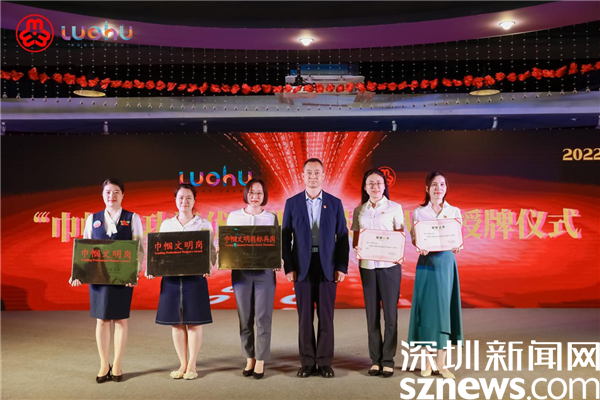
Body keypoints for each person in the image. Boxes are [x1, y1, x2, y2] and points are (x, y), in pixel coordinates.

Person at [69, 178, 144, 383]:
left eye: (116, 192)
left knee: (120, 320)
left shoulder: (132, 218)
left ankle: (117, 364)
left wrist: (134, 273)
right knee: (101, 320)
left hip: (123, 277)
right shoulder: (92, 219)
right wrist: (78, 272)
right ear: (103, 195)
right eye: (108, 192)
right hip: (98, 276)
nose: (112, 196)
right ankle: (104, 364)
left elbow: (139, 247)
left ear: (123, 195)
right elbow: (85, 249)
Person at [282, 158, 349, 378]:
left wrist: (341, 266)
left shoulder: (334, 203)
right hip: (301, 267)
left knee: (326, 316)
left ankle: (325, 361)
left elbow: (343, 237)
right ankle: (307, 362)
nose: (313, 177)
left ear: (323, 175)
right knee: (305, 317)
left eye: (317, 173)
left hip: (327, 266)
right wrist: (289, 266)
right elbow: (285, 236)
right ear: (302, 176)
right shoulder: (292, 203)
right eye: (309, 173)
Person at [147, 183, 216, 380]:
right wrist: (153, 268)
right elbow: (159, 252)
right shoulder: (167, 225)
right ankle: (182, 363)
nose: (184, 201)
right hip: (171, 280)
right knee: (176, 324)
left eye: (188, 198)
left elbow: (211, 252)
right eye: (180, 198)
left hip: (195, 280)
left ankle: (192, 364)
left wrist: (209, 266)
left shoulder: (204, 225)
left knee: (194, 322)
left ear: (194, 200)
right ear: (175, 200)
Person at [407, 171, 464, 380]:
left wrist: (457, 245)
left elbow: (458, 238)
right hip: (427, 264)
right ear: (427, 188)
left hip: (446, 264)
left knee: (444, 312)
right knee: (428, 311)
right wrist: (419, 245)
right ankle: (428, 362)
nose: (438, 188)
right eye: (434, 185)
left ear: (446, 188)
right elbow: (415, 238)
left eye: (442, 185)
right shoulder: (419, 213)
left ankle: (442, 364)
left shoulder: (454, 211)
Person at [352, 169, 404, 378]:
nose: (375, 187)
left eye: (378, 183)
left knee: (390, 315)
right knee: (371, 315)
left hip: (390, 266)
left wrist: (395, 251)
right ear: (365, 187)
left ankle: (388, 360)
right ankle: (375, 360)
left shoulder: (395, 208)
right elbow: (356, 237)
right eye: (370, 183)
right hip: (367, 266)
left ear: (385, 186)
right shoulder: (359, 210)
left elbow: (400, 236)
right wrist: (357, 247)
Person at [226, 178, 279, 380]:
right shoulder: (234, 216)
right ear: (246, 194)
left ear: (264, 195)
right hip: (241, 273)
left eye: (259, 193)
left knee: (263, 317)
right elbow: (228, 243)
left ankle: (261, 359)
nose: (255, 196)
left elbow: (276, 244)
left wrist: (277, 258)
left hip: (265, 273)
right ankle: (249, 357)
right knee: (245, 317)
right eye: (252, 192)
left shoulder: (271, 218)